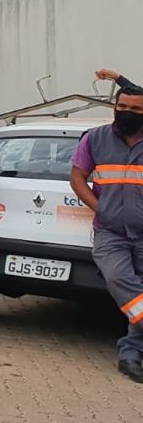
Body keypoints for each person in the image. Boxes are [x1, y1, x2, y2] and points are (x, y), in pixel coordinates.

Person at [69, 82, 143, 383]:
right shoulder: (95, 139)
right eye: (122, 106)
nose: (127, 112)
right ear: (114, 106)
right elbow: (77, 177)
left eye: (136, 109)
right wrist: (101, 208)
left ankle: (131, 355)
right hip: (110, 231)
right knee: (118, 278)